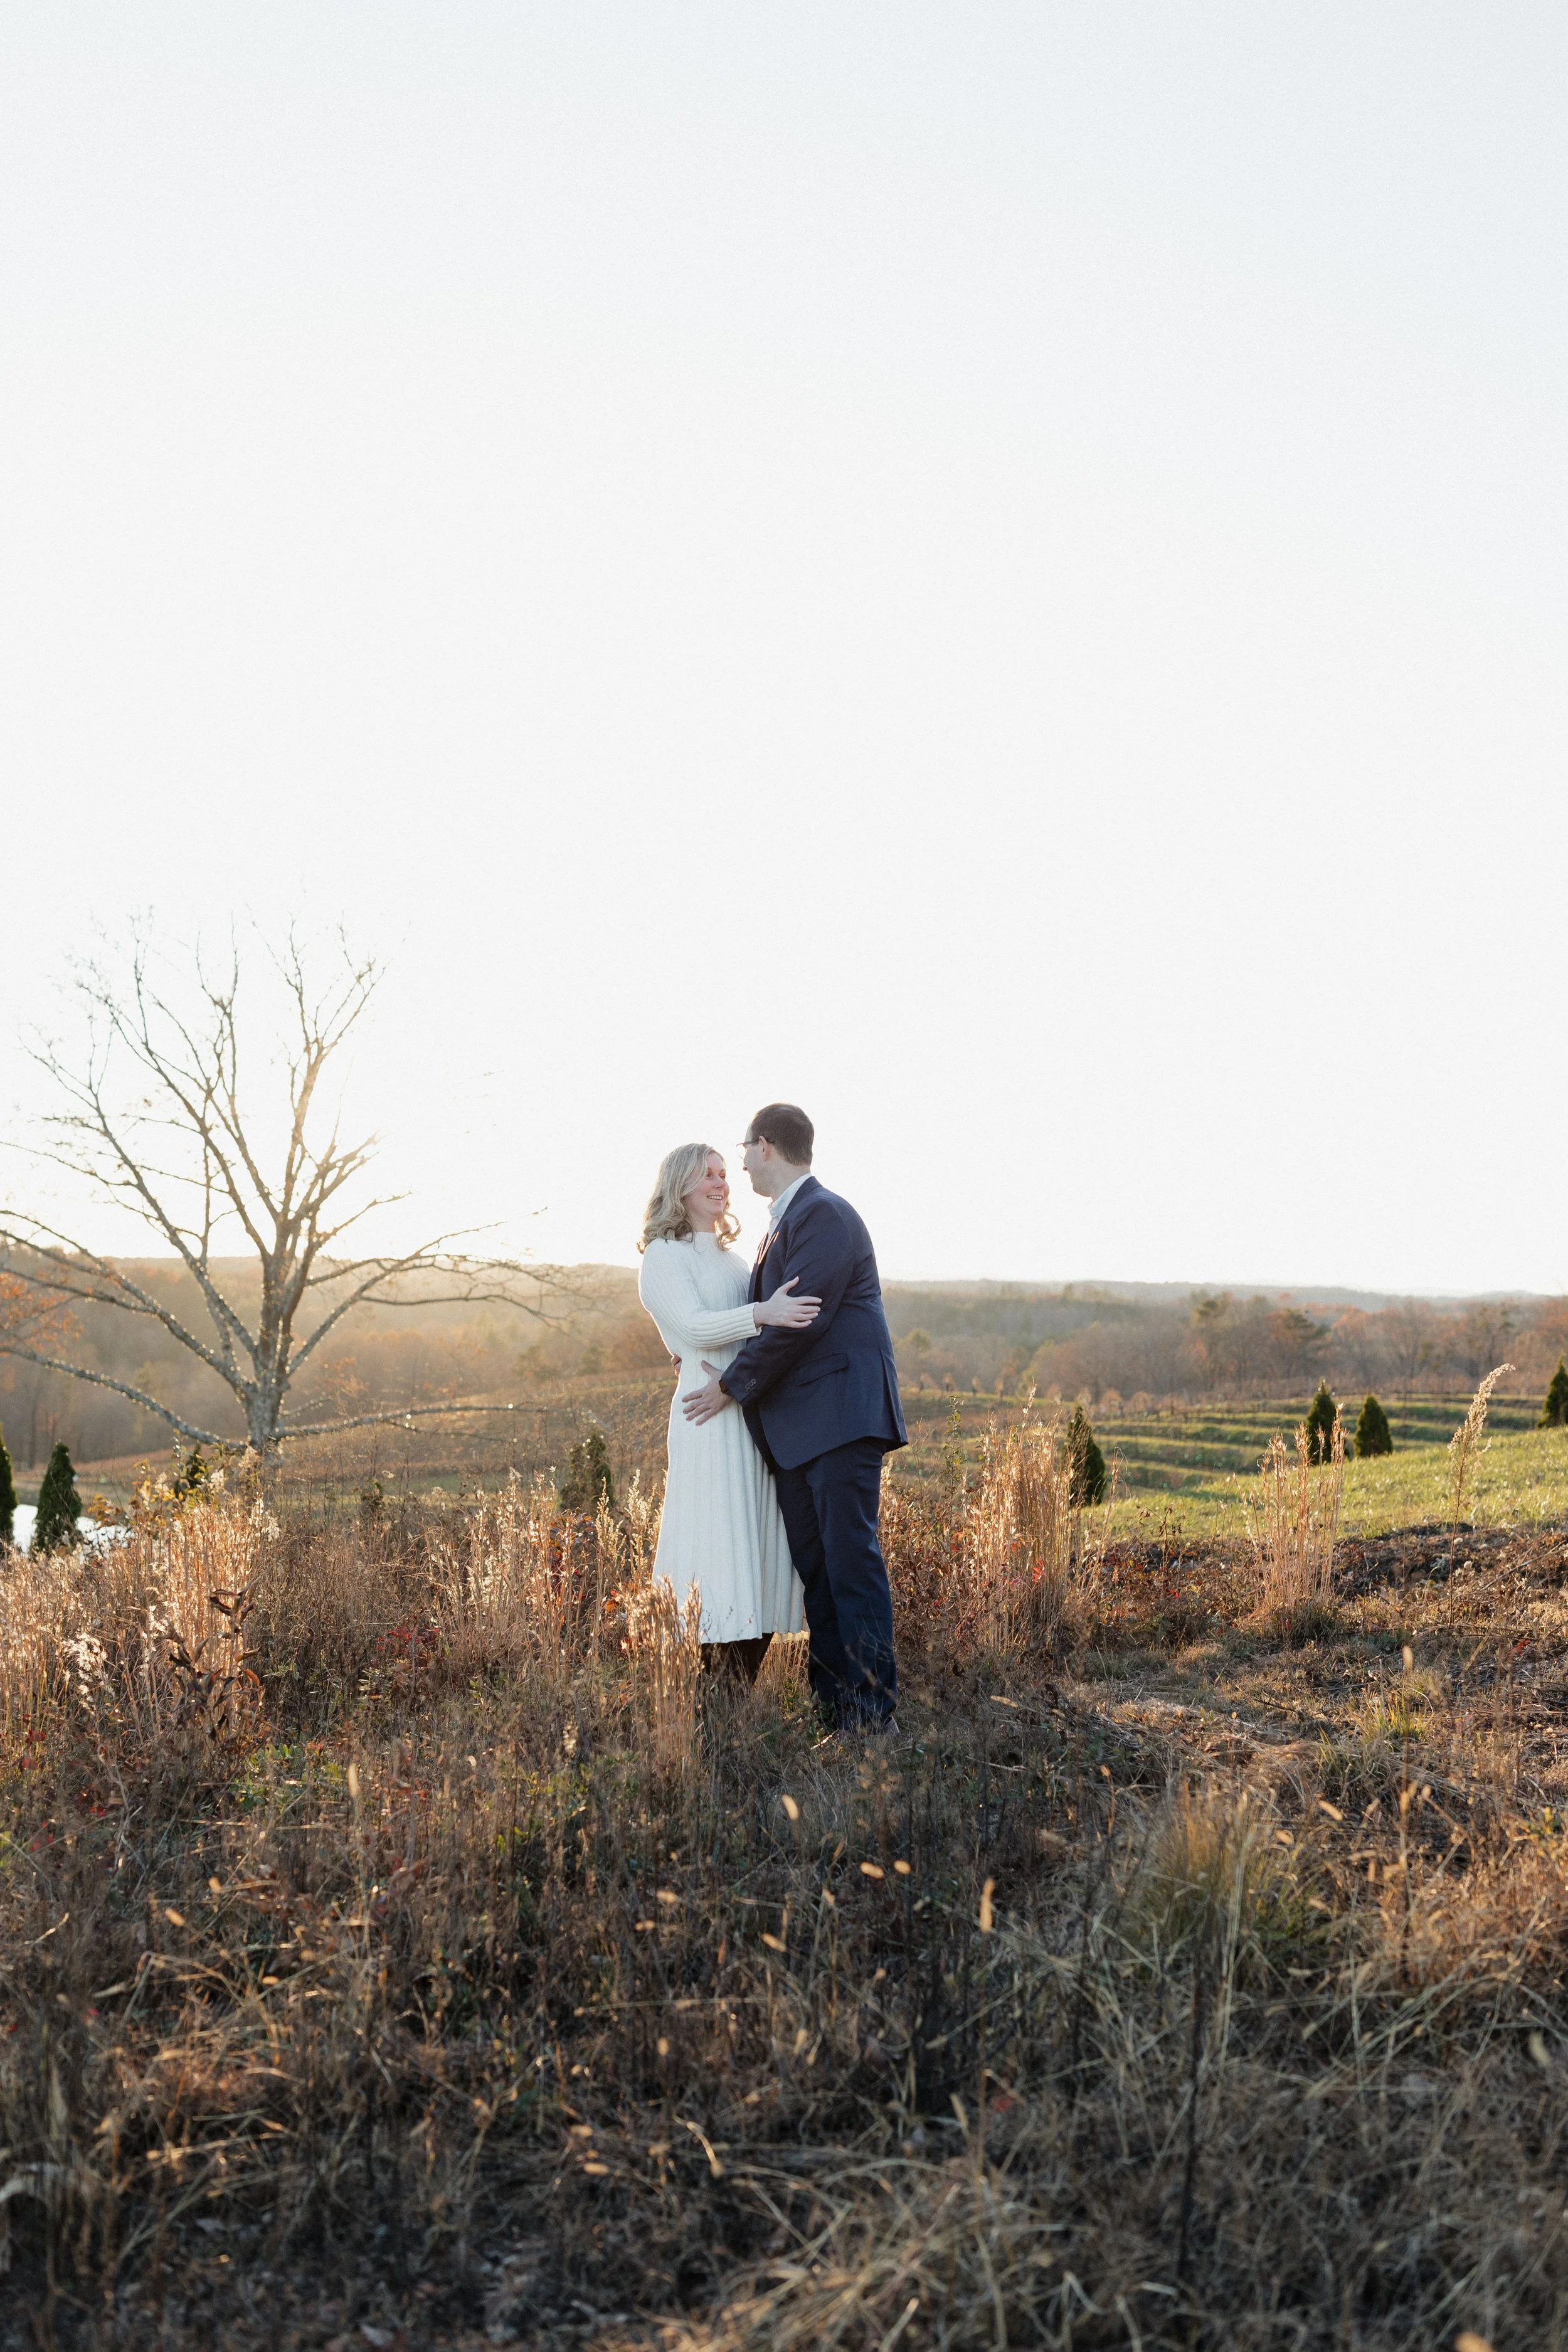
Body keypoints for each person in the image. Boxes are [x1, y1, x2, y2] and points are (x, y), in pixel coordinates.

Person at [682, 1104, 907, 1733]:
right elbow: (758, 1315)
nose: (742, 1161)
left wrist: (730, 1385)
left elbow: (799, 1320)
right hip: (798, 1432)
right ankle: (835, 1709)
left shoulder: (824, 1216)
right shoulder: (782, 1226)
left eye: (745, 1149)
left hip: (839, 1418)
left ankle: (871, 1715)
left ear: (768, 1146)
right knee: (820, 1574)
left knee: (850, 1565)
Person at [637, 1142, 815, 1680]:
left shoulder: (734, 1257)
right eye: (707, 1176)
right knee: (718, 1551)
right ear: (679, 1188)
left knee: (757, 1552)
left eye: (722, 1173)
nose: (721, 1183)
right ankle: (709, 1701)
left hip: (747, 1413)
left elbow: (741, 1336)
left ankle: (735, 1698)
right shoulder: (663, 1257)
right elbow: (692, 1327)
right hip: (706, 1419)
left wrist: (750, 1358)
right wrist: (765, 1312)